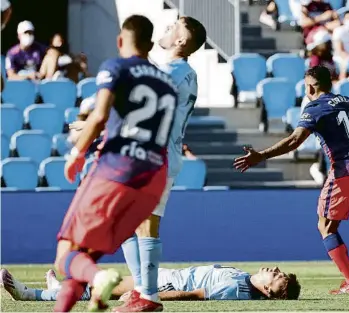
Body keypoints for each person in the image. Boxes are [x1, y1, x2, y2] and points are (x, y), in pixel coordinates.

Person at [234, 66, 349, 294]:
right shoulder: (346, 101)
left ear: (310, 86)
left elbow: (294, 140)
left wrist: (261, 155)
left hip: (346, 172)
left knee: (326, 226)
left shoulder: (314, 108)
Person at [52, 15, 178, 312]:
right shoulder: (168, 84)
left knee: (64, 257)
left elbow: (98, 117)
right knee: (83, 257)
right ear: (150, 45)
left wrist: (77, 155)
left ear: (121, 40)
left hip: (116, 170)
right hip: (152, 180)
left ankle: (99, 278)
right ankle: (86, 290)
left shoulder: (115, 66)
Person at [116, 16, 207, 313]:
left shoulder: (174, 71)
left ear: (182, 41)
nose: (166, 29)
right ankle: (142, 291)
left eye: (173, 28)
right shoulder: (183, 72)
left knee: (146, 223)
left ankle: (149, 296)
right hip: (158, 153)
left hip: (158, 155)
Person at [0, 265, 301, 302]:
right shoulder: (244, 277)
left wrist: (146, 296)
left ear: (267, 290)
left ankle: (30, 295)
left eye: (276, 276)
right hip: (171, 274)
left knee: (103, 286)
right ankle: (55, 288)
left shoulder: (238, 289)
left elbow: (194, 294)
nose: (274, 269)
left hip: (169, 283)